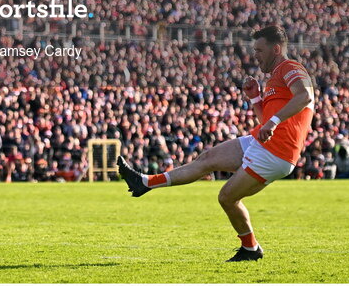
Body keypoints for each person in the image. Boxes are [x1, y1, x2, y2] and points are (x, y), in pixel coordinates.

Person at [117, 25, 315, 262]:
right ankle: (145, 182)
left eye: (260, 50)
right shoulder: (274, 78)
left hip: (276, 153)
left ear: (276, 49)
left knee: (227, 198)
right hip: (262, 142)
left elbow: (305, 96)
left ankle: (251, 249)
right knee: (207, 159)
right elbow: (266, 122)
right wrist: (255, 98)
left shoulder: (290, 67)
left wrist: (272, 122)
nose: (255, 55)